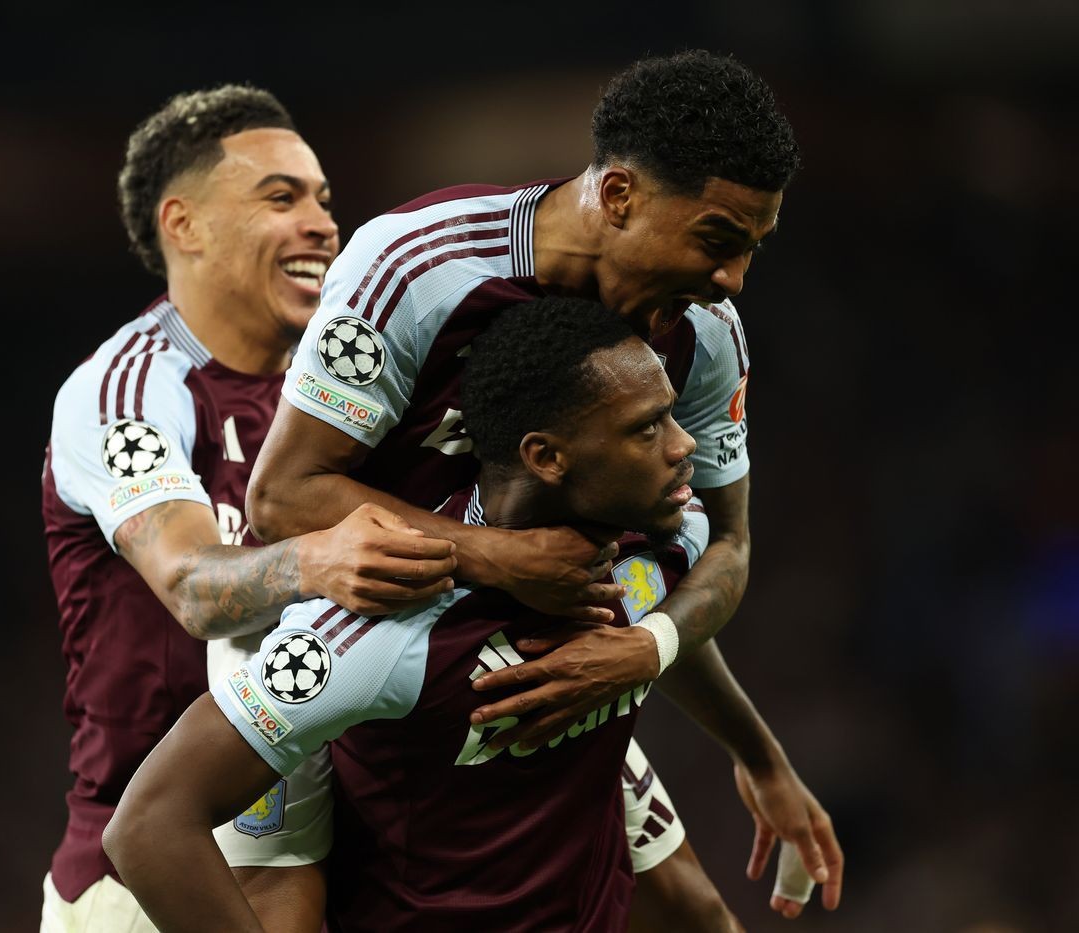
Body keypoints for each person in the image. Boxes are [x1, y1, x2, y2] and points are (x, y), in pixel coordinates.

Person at [247, 50, 842, 922]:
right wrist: (496, 558)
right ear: (619, 195)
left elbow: (725, 545)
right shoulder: (417, 269)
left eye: (752, 249)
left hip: (532, 675)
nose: (732, 280)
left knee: (702, 915)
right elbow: (281, 498)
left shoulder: (705, 333)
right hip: (337, 656)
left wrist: (680, 681)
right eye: (717, 240)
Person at [106, 296, 726, 932]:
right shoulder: (385, 623)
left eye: (672, 416)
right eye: (647, 429)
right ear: (546, 457)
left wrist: (666, 661)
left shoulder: (666, 537)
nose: (683, 445)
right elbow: (149, 824)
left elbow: (724, 563)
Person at [39, 85, 458, 933]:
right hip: (154, 879)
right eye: (281, 197)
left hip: (320, 859)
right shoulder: (128, 391)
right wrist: (317, 559)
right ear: (184, 224)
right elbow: (193, 586)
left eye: (324, 201)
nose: (322, 225)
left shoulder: (342, 396)